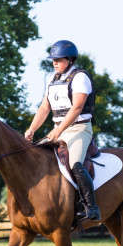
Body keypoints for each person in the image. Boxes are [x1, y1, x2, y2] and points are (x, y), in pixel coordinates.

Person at [24, 40, 101, 221]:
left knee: (75, 163)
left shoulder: (80, 77)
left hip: (79, 129)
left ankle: (92, 207)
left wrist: (58, 131)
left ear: (70, 60)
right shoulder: (51, 79)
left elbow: (77, 108)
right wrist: (32, 129)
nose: (54, 62)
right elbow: (44, 108)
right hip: (58, 129)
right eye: (53, 59)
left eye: (58, 59)